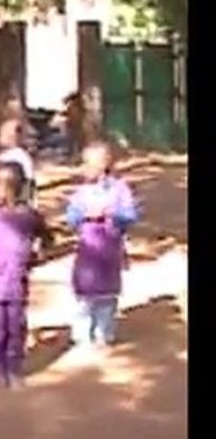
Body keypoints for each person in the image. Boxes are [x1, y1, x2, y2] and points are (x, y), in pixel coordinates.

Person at [0, 163, 52, 388]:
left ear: (16, 189)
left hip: (17, 284)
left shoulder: (28, 216)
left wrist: (37, 253)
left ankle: (13, 369)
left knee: (15, 329)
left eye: (2, 187)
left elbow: (46, 236)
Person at [65, 141, 138, 356]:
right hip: (87, 252)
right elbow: (70, 218)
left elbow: (130, 216)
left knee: (107, 294)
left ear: (104, 164)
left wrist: (111, 213)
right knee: (84, 293)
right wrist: (84, 214)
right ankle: (81, 335)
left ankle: (104, 334)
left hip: (110, 251)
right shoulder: (81, 192)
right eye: (84, 163)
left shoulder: (119, 189)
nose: (84, 168)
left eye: (89, 163)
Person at [0, 118, 36, 204]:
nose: (0, 138)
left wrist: (24, 202)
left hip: (15, 201)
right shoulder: (2, 156)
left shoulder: (22, 158)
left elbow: (29, 182)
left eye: (4, 134)